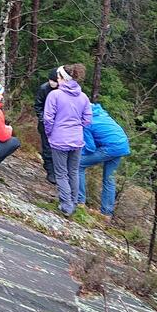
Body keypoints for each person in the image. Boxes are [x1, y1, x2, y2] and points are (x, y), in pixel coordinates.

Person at [42, 63, 93, 217]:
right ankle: (74, 202)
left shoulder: (55, 95)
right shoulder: (83, 97)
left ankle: (66, 205)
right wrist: (77, 128)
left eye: (58, 77)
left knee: (61, 173)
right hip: (77, 140)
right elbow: (88, 119)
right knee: (73, 172)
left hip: (59, 140)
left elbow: (48, 118)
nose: (56, 79)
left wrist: (50, 133)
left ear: (63, 78)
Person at [76, 103, 131, 217]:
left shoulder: (86, 122)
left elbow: (90, 147)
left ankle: (79, 201)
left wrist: (79, 154)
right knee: (109, 179)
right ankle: (106, 214)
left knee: (78, 165)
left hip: (111, 147)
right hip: (122, 145)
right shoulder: (101, 113)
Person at [33, 68, 60, 185]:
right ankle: (50, 171)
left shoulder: (63, 91)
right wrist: (42, 118)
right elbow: (38, 106)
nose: (52, 82)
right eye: (50, 80)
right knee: (47, 148)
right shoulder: (43, 88)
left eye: (54, 80)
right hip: (45, 123)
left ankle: (59, 171)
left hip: (59, 124)